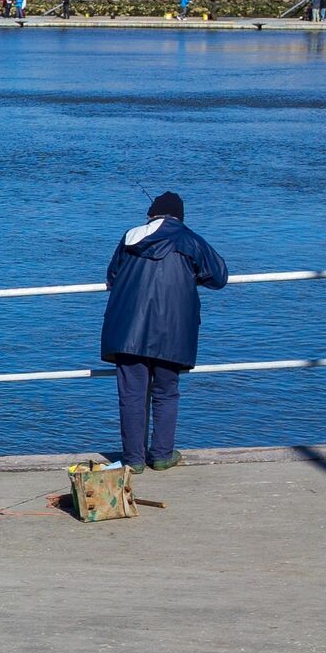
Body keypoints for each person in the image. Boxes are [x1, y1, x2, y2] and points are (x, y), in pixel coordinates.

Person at [100, 193, 229, 471]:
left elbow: (112, 277)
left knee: (132, 395)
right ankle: (161, 454)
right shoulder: (190, 240)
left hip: (127, 331)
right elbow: (219, 277)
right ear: (179, 216)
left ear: (151, 215)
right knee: (166, 392)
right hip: (172, 331)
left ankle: (134, 460)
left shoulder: (131, 237)